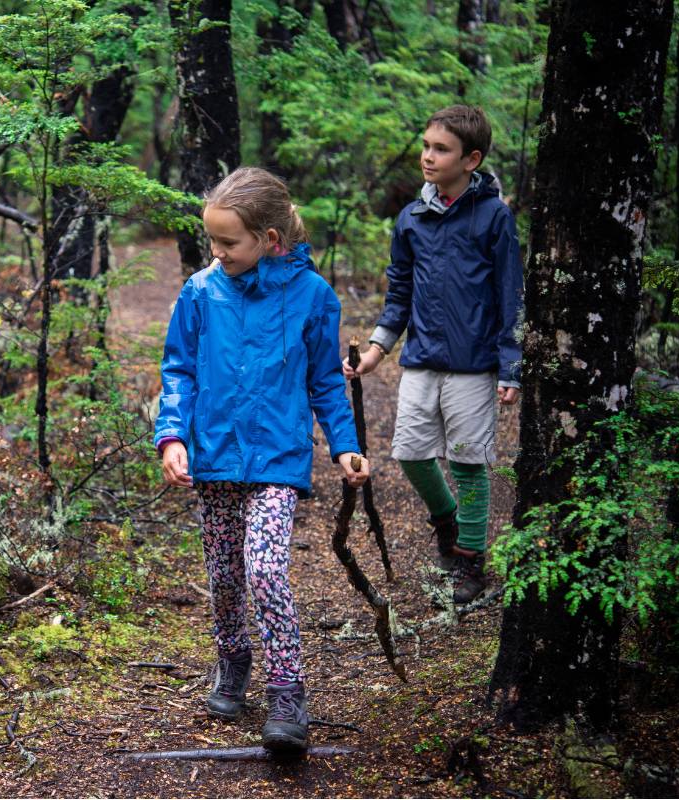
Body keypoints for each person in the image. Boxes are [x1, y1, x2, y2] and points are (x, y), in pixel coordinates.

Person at [154, 167, 369, 752]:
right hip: (215, 456)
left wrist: (345, 444)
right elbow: (178, 371)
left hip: (277, 457)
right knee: (223, 576)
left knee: (265, 568)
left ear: (270, 239)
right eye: (213, 242)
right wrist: (172, 436)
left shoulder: (313, 298)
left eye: (229, 242)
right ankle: (232, 658)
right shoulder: (200, 292)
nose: (217, 253)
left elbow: (326, 380)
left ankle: (287, 690)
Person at [343, 104, 523, 605]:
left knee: (467, 462)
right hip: (422, 358)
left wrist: (511, 363)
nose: (427, 156)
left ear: (471, 159)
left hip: (474, 364)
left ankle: (469, 561)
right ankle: (447, 521)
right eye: (426, 145)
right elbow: (399, 292)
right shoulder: (413, 218)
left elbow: (511, 294)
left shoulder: (493, 217)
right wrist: (377, 350)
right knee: (411, 454)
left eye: (440, 149)